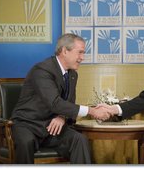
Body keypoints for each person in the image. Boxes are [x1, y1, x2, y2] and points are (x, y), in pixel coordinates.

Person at [11, 33, 110, 164]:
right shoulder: (42, 70)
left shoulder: (72, 74)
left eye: (83, 53)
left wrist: (62, 117)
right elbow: (55, 103)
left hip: (52, 128)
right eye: (79, 52)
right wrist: (92, 111)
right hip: (28, 125)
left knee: (79, 139)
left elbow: (69, 104)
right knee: (26, 142)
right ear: (64, 51)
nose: (82, 58)